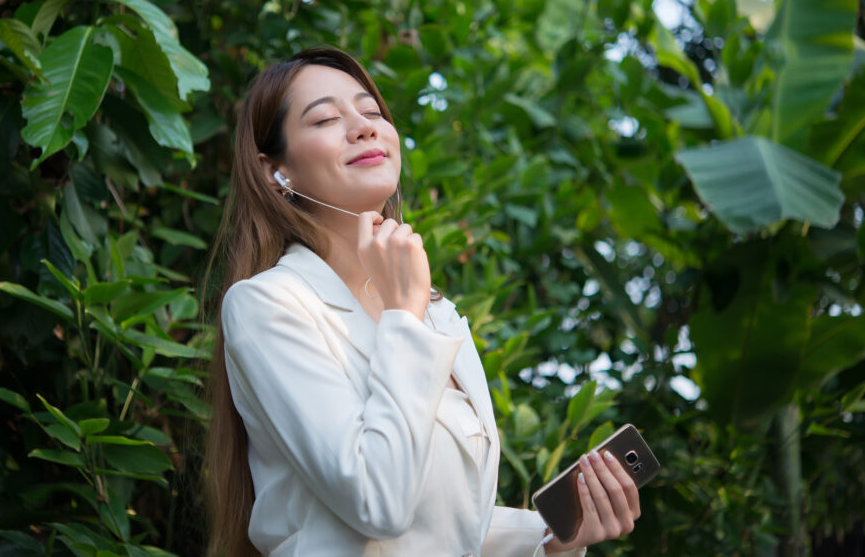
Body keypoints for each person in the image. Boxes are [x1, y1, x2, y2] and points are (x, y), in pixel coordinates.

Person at [204, 47, 640, 556]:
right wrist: (402, 318)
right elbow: (378, 503)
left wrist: (551, 539)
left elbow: (445, 528)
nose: (363, 127)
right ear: (275, 171)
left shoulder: (437, 312)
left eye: (371, 112)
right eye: (325, 118)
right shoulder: (266, 306)